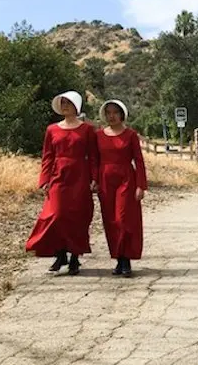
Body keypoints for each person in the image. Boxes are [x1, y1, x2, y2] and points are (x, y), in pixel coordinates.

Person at [25, 91, 98, 276]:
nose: (65, 105)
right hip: (58, 175)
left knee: (77, 217)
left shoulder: (87, 130)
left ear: (77, 106)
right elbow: (47, 156)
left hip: (80, 176)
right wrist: (45, 180)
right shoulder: (52, 129)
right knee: (56, 215)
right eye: (63, 102)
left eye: (69, 102)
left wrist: (94, 179)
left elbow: (93, 157)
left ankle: (74, 256)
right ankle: (59, 253)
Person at [95, 100, 147, 278]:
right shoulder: (99, 135)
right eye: (108, 112)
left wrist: (141, 185)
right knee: (110, 221)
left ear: (122, 114)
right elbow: (94, 160)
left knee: (123, 219)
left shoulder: (130, 135)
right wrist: (94, 180)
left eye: (115, 112)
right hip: (105, 180)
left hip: (126, 179)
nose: (112, 116)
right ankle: (118, 258)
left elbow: (139, 161)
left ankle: (126, 259)